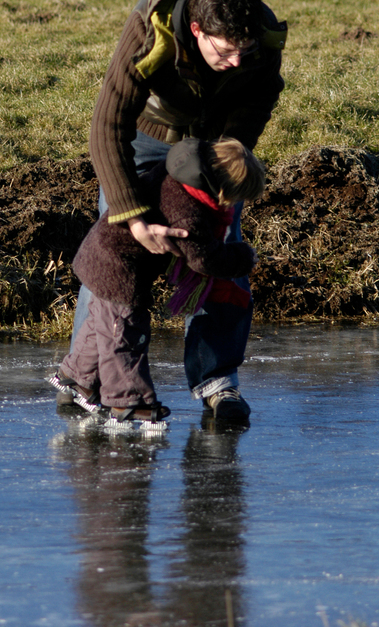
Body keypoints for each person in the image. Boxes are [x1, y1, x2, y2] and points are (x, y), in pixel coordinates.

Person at [69, 0, 286, 421]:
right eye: (225, 52)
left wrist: (226, 158)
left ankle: (217, 380)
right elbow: (107, 125)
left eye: (243, 52)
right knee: (115, 253)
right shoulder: (150, 30)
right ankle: (84, 381)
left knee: (221, 251)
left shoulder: (259, 34)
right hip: (148, 139)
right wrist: (132, 212)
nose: (236, 61)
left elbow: (260, 96)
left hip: (215, 143)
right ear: (195, 29)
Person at [49, 137, 265, 424]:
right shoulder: (190, 211)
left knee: (101, 322)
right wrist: (243, 257)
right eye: (234, 198)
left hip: (101, 255)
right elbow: (202, 258)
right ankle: (127, 401)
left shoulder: (177, 170)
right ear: (221, 190)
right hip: (117, 269)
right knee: (125, 332)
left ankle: (74, 376)